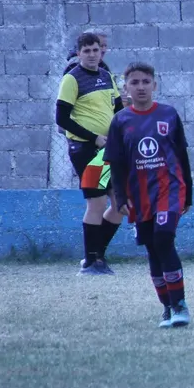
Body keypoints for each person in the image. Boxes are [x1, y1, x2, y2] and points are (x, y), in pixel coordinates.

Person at [105, 62, 193, 328]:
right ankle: (167, 307)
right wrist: (120, 198)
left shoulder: (168, 114)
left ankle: (180, 305)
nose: (141, 87)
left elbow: (182, 156)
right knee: (153, 249)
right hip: (139, 195)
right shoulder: (120, 121)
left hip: (170, 190)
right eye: (135, 82)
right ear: (126, 88)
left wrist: (189, 194)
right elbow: (116, 165)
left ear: (154, 85)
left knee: (164, 238)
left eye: (146, 82)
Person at [55, 32, 125, 275]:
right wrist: (94, 137)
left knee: (119, 204)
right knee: (96, 202)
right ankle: (91, 262)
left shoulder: (106, 76)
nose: (93, 54)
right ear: (78, 53)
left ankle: (96, 257)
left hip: (109, 149)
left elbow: (119, 110)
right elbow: (61, 118)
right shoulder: (72, 79)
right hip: (86, 150)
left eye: (96, 50)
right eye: (87, 51)